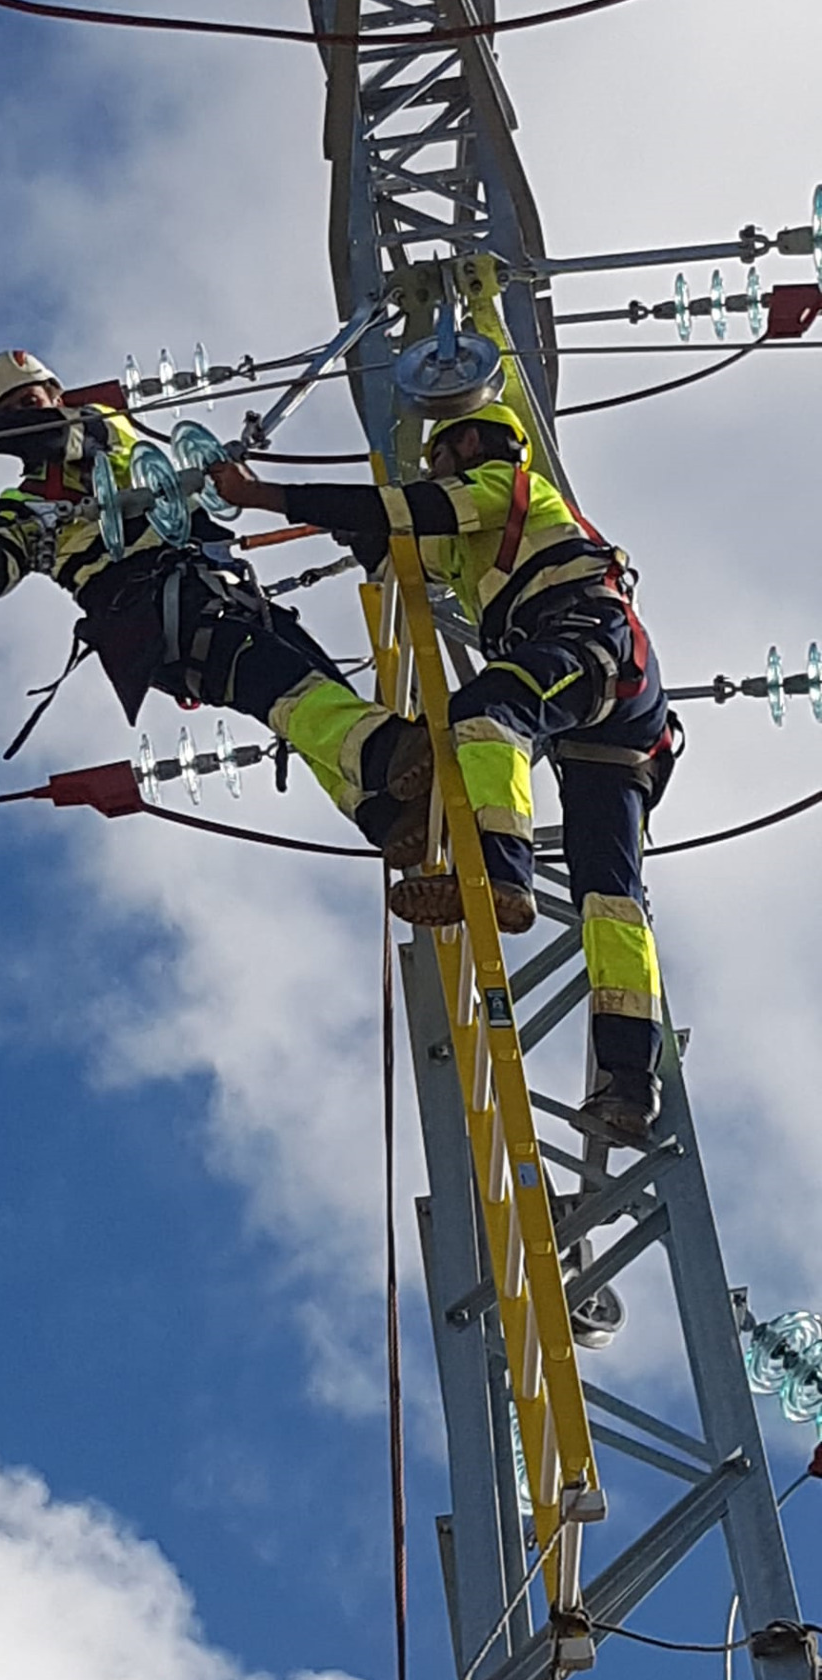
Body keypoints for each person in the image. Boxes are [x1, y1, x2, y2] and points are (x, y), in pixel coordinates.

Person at [209, 402, 675, 1141]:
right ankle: (628, 1079)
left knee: (488, 713)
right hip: (621, 723)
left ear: (464, 444)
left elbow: (412, 509)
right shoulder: (477, 540)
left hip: (590, 640)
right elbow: (398, 544)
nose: (435, 471)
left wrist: (264, 494)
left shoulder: (505, 484)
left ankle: (498, 873)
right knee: (609, 898)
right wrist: (350, 529)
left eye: (438, 458)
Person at [0, 351, 426, 793]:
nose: (25, 415)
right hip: (151, 614)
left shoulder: (100, 427)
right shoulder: (20, 504)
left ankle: (381, 811)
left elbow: (53, 435)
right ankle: (383, 755)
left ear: (54, 396)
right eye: (11, 412)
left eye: (31, 401)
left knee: (315, 696)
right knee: (274, 681)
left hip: (222, 589)